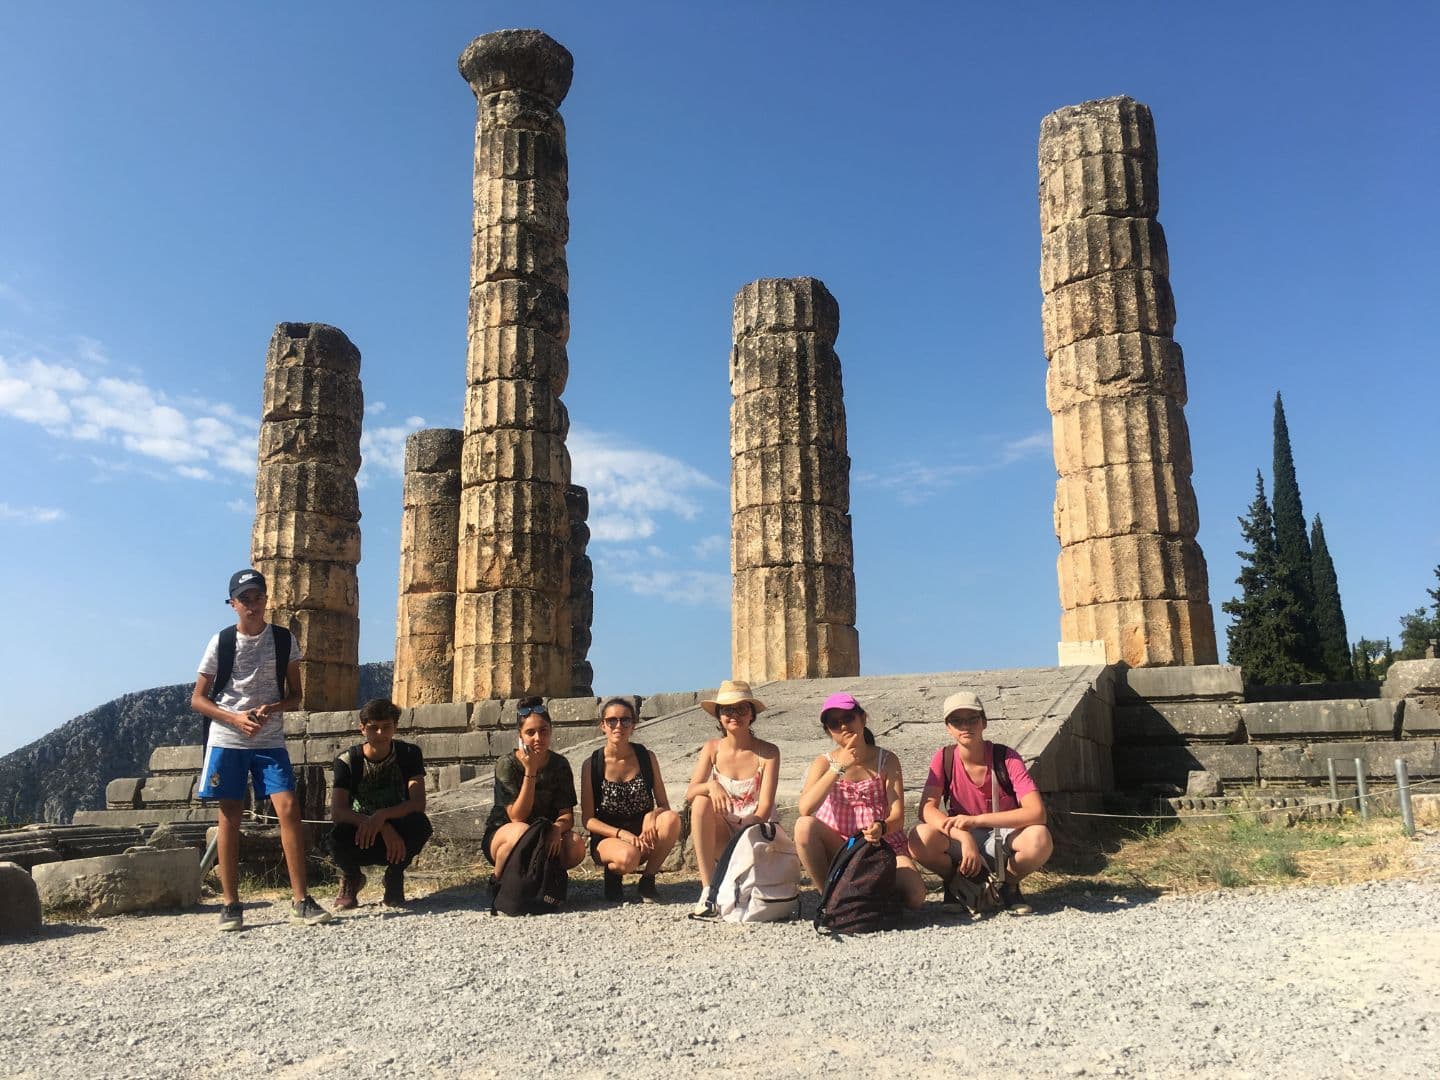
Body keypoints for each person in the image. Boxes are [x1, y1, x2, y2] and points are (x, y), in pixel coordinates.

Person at [190, 568, 332, 930]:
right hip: (228, 738)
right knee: (230, 816)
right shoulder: (221, 642)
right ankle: (230, 904)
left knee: (289, 808)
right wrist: (235, 719)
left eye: (258, 597)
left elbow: (296, 696)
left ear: (267, 599)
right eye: (245, 599)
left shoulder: (284, 640)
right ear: (233, 604)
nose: (252, 605)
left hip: (269, 738)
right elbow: (198, 699)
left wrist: (273, 707)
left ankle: (301, 899)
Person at [907, 691, 1053, 915]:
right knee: (919, 837)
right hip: (962, 836)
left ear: (984, 722)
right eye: (957, 721)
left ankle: (1007, 884)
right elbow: (926, 809)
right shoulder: (944, 758)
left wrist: (976, 820)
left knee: (1040, 838)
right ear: (948, 728)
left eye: (972, 719)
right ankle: (958, 881)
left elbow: (1036, 813)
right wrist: (964, 837)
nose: (965, 726)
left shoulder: (1006, 758)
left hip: (1003, 835)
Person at [794, 692, 926, 911]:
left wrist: (882, 827)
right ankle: (829, 900)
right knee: (803, 826)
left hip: (881, 844)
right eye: (834, 723)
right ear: (828, 731)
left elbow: (898, 817)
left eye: (848, 718)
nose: (843, 726)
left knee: (915, 896)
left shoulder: (887, 760)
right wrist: (838, 767)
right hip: (841, 846)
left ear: (862, 718)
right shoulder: (823, 762)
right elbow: (805, 808)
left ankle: (869, 899)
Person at [683, 679, 780, 919]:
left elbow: (765, 806)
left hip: (755, 832)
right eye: (727, 710)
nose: (734, 715)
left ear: (752, 715)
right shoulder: (712, 748)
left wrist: (748, 827)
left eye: (742, 709)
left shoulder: (769, 752)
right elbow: (690, 792)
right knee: (701, 801)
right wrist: (711, 786)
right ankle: (708, 890)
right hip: (723, 832)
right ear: (719, 716)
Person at [329, 697, 433, 909]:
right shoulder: (347, 761)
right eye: (373, 728)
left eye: (386, 727)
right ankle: (351, 876)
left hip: (397, 833)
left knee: (420, 824)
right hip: (361, 831)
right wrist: (379, 824)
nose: (380, 733)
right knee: (334, 837)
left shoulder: (409, 754)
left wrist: (383, 816)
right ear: (362, 729)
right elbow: (338, 812)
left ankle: (394, 875)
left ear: (395, 727)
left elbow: (417, 803)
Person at [580, 697, 682, 903]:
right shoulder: (592, 764)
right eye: (612, 720)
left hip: (643, 835)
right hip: (609, 836)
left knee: (671, 819)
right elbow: (588, 820)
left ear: (633, 725)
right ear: (603, 726)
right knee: (628, 858)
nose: (618, 726)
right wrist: (621, 834)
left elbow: (664, 805)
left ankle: (648, 880)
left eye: (625, 720)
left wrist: (652, 816)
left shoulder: (646, 757)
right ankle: (613, 875)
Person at [482, 696, 586, 878]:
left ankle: (546, 880)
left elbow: (566, 815)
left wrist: (556, 828)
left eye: (543, 731)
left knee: (575, 845)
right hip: (507, 833)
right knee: (522, 832)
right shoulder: (507, 764)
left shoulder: (559, 764)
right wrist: (530, 770)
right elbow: (517, 817)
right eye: (530, 733)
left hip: (543, 832)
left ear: (551, 731)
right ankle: (498, 882)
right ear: (520, 736)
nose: (538, 738)